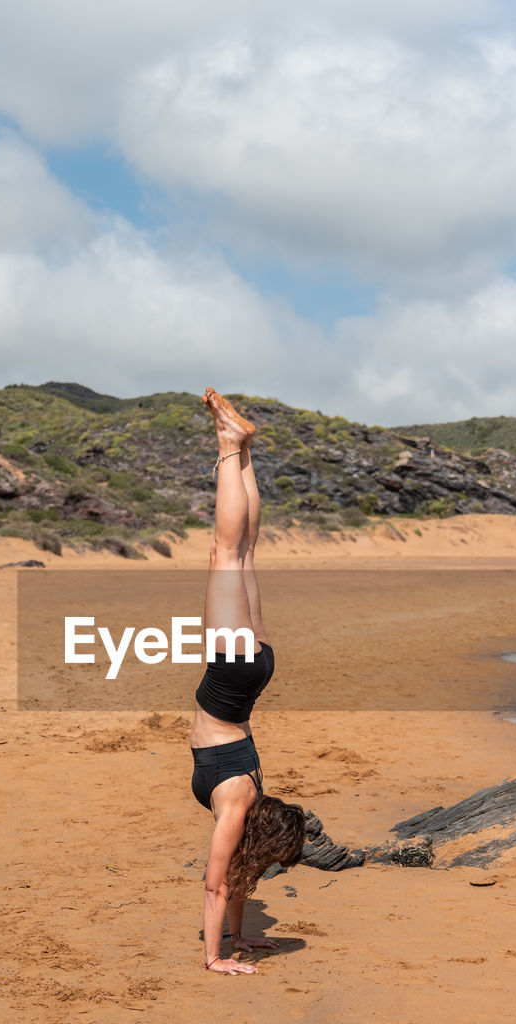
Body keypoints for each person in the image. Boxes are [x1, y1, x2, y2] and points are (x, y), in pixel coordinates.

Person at [191, 388, 305, 975]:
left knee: (244, 553)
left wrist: (238, 941)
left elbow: (231, 881)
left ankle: (241, 449)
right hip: (232, 678)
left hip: (252, 677)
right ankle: (230, 445)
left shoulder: (251, 797)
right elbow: (221, 883)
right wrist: (221, 954)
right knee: (228, 553)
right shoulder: (235, 806)